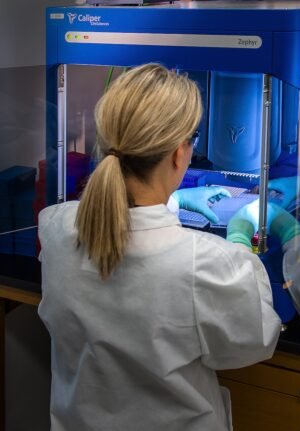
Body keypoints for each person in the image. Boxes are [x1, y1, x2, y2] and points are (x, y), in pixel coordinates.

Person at [37, 63, 283, 431]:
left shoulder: (56, 227)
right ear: (179, 153)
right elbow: (254, 343)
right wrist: (239, 238)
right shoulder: (208, 263)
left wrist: (172, 200)